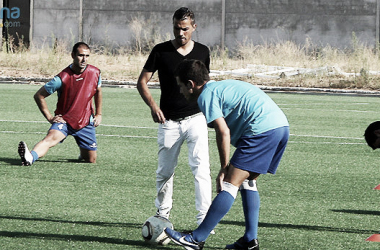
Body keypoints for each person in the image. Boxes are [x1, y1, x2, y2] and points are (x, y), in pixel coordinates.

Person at [164, 59, 290, 250]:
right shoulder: (221, 87)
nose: (180, 91)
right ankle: (250, 240)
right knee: (248, 182)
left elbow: (223, 131)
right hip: (280, 127)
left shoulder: (206, 95)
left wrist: (224, 168)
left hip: (262, 130)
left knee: (230, 183)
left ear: (191, 85)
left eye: (181, 86)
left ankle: (195, 239)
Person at [136, 7, 212, 227]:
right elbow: (142, 82)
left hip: (196, 118)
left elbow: (205, 85)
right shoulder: (160, 51)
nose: (181, 33)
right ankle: (162, 214)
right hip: (168, 121)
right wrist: (152, 106)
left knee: (201, 169)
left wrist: (209, 112)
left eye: (185, 29)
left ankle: (204, 219)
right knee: (165, 171)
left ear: (194, 27)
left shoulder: (203, 51)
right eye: (177, 28)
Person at [18, 42, 103, 166]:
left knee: (91, 160)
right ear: (72, 55)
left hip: (85, 122)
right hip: (65, 121)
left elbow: (98, 91)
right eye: (80, 55)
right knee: (50, 140)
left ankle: (83, 149)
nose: (84, 59)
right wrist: (50, 117)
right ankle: (30, 157)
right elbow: (39, 96)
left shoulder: (95, 73)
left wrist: (99, 114)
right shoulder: (61, 78)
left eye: (87, 56)